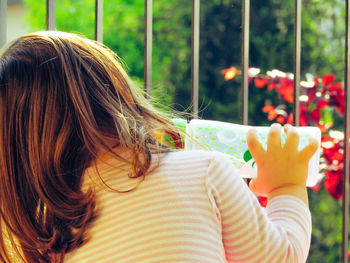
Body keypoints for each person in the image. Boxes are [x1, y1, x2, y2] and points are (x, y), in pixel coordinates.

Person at [0, 31, 319, 263]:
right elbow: (282, 256)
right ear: (118, 96)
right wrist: (286, 185)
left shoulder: (49, 235)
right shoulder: (203, 172)